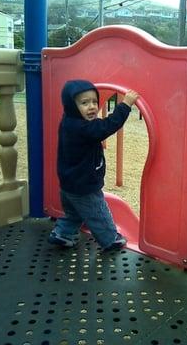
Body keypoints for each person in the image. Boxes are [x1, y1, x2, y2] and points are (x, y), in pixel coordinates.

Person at [48, 79, 139, 251]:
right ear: (71, 105)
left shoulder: (68, 121)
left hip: (68, 183)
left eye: (94, 102)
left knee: (74, 213)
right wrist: (125, 105)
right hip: (85, 185)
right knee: (97, 212)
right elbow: (107, 126)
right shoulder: (83, 128)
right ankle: (110, 239)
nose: (91, 107)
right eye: (84, 103)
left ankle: (63, 234)